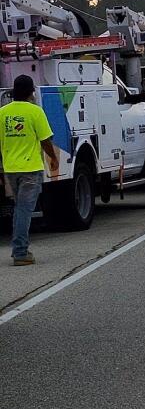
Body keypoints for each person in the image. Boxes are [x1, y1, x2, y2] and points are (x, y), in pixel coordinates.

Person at [0, 75, 60, 266]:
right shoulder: (35, 112)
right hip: (31, 169)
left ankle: (20, 249)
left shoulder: (2, 113)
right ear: (31, 92)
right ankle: (20, 252)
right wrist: (53, 158)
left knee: (19, 208)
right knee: (24, 210)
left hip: (11, 169)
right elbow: (45, 140)